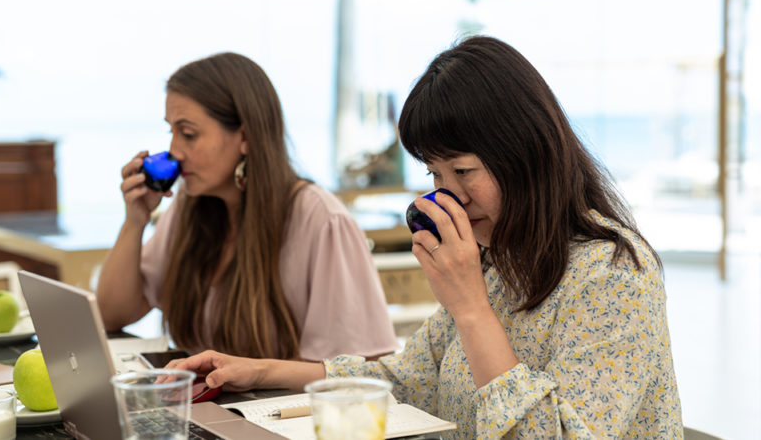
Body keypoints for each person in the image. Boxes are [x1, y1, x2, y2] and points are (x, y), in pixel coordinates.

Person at [167, 36, 684, 438]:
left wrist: (472, 309)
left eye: (463, 170)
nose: (446, 197)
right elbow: (406, 380)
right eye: (435, 174)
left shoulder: (613, 274)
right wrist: (261, 373)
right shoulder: (500, 258)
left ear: (525, 154)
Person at [96, 52, 398, 362]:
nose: (174, 151)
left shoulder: (320, 219)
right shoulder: (189, 207)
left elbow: (362, 369)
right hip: (202, 393)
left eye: (188, 134)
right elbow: (110, 316)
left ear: (245, 136)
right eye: (171, 132)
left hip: (275, 397)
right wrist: (135, 221)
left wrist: (252, 376)